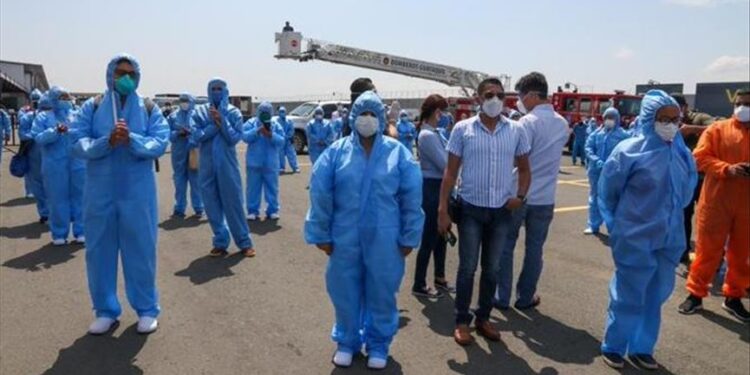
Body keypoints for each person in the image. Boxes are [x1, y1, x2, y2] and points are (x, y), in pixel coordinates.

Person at [304, 91, 423, 370]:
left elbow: (411, 198)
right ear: (353, 117)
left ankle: (379, 344)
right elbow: (321, 193)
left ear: (381, 118)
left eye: (372, 114)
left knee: (382, 290)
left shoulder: (398, 153)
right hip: (344, 235)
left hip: (386, 237)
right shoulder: (337, 152)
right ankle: (346, 341)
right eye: (362, 114)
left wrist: (409, 236)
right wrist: (321, 232)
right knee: (344, 289)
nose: (367, 119)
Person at [598, 90, 697, 370]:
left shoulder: (682, 154)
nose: (669, 124)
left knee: (656, 295)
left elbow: (687, 195)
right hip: (634, 235)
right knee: (628, 293)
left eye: (674, 119)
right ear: (647, 118)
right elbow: (608, 192)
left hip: (670, 236)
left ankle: (642, 347)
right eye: (662, 119)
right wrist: (620, 226)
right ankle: (614, 344)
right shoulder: (628, 151)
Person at [70, 54, 168, 335]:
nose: (124, 78)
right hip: (99, 189)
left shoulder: (148, 108)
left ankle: (147, 309)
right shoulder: (93, 106)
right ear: (110, 74)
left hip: (138, 191)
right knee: (99, 250)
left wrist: (133, 140)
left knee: (141, 249)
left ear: (137, 76)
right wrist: (106, 142)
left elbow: (160, 141)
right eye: (119, 72)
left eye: (130, 73)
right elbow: (77, 141)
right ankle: (105, 310)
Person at [437, 77, 531, 346]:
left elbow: (525, 169)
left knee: (492, 269)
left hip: (501, 211)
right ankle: (462, 320)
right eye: (489, 95)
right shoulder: (462, 129)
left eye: (500, 95)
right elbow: (450, 172)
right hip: (470, 210)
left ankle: (484, 318)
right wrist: (443, 209)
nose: (495, 100)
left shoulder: (515, 130)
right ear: (478, 98)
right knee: (467, 268)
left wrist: (521, 197)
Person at [495, 72, 569, 310]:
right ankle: (525, 297)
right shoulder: (562, 123)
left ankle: (502, 296)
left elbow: (517, 160)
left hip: (520, 194)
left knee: (506, 246)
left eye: (521, 95)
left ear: (533, 95)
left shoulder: (526, 123)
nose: (520, 100)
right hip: (546, 197)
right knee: (535, 250)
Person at [679, 88, 750, 323]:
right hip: (717, 202)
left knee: (741, 255)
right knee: (707, 251)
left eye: (747, 104)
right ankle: (696, 294)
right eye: (738, 103)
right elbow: (699, 158)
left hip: (747, 207)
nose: (742, 108)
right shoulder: (718, 129)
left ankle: (733, 296)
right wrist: (727, 169)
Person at [192, 78, 255, 257]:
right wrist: (214, 125)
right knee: (211, 204)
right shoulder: (200, 112)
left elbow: (234, 138)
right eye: (213, 89)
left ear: (226, 91)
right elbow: (197, 135)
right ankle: (220, 241)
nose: (217, 92)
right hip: (207, 166)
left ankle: (244, 242)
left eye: (220, 89)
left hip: (227, 166)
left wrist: (222, 121)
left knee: (233, 203)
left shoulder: (234, 113)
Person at [32, 86, 85, 246]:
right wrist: (55, 131)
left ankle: (81, 231)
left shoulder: (77, 115)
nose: (66, 100)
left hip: (78, 163)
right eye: (62, 97)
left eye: (67, 97)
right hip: (55, 164)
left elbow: (84, 133)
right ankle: (59, 234)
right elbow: (38, 138)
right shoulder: (43, 117)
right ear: (54, 99)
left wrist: (71, 131)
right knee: (57, 198)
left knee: (81, 197)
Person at [412, 94, 451, 298]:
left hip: (440, 186)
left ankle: (440, 277)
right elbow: (445, 164)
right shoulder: (427, 135)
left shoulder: (434, 132)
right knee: (429, 236)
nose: (444, 115)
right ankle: (419, 283)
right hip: (432, 187)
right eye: (442, 111)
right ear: (436, 112)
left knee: (442, 236)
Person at [671, 94, 715, 265]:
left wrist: (691, 129)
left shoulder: (699, 117)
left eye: (678, 107)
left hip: (703, 177)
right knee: (683, 215)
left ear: (685, 107)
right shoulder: (668, 121)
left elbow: (717, 127)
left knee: (708, 217)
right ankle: (683, 252)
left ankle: (713, 256)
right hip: (682, 179)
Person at [583, 108, 629, 234]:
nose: (609, 120)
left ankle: (613, 227)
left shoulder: (623, 135)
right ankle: (593, 225)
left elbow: (628, 150)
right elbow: (588, 148)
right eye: (607, 117)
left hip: (614, 172)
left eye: (612, 117)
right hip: (596, 170)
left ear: (617, 119)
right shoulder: (597, 133)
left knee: (614, 199)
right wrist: (595, 159)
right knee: (594, 197)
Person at [244, 102, 285, 221]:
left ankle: (272, 210)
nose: (264, 114)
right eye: (262, 111)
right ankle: (252, 211)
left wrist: (270, 134)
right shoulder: (251, 123)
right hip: (253, 163)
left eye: (267, 112)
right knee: (252, 188)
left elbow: (282, 141)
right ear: (258, 112)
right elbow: (244, 137)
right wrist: (257, 131)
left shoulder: (276, 125)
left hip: (270, 163)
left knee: (272, 187)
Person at [168, 93, 203, 218]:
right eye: (182, 100)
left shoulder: (198, 115)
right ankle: (179, 208)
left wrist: (192, 135)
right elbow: (167, 134)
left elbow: (202, 132)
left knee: (196, 181)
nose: (184, 103)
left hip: (193, 151)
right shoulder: (173, 116)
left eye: (186, 101)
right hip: (178, 153)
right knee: (179, 181)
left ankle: (198, 207)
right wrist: (178, 133)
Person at [18, 89, 49, 222]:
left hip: (51, 155)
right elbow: (22, 134)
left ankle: (51, 211)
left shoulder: (51, 117)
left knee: (52, 184)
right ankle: (44, 212)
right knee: (37, 184)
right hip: (34, 154)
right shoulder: (27, 117)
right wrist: (36, 135)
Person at [276, 106, 299, 173]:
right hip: (280, 141)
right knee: (280, 155)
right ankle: (281, 168)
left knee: (291, 154)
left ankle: (295, 167)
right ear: (278, 113)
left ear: (286, 112)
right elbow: (275, 131)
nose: (282, 113)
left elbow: (291, 130)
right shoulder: (276, 122)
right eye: (281, 112)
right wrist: (280, 137)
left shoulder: (289, 121)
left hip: (288, 141)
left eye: (283, 111)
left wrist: (287, 136)